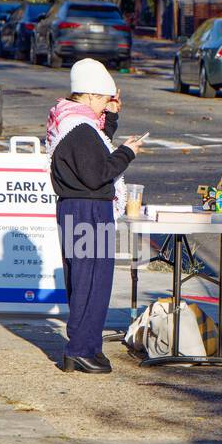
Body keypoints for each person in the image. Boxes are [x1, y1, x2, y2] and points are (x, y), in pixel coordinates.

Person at [47, 59, 147, 373]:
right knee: (92, 281)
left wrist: (113, 116)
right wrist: (127, 152)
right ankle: (79, 349)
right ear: (89, 96)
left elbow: (96, 144)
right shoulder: (80, 129)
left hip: (77, 208)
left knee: (86, 280)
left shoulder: (71, 121)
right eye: (103, 100)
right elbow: (98, 171)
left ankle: (87, 344)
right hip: (89, 209)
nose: (105, 106)